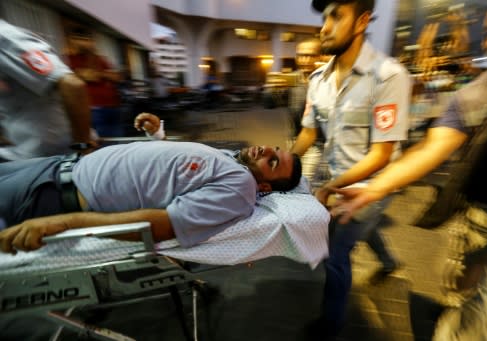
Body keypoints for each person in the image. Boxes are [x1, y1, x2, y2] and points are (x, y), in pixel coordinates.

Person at [331, 0, 487, 339]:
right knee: (460, 294)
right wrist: (373, 188)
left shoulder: (388, 76)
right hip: (479, 219)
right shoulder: (478, 94)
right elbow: (433, 147)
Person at [0, 113, 302, 254]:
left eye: (272, 163)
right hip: (54, 166)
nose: (265, 151)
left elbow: (158, 224)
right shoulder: (231, 160)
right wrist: (157, 137)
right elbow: (175, 175)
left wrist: (63, 224)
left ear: (264, 188)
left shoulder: (240, 190)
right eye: (272, 149)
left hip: (52, 195)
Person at [289, 0, 411, 338]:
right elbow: (309, 133)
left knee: (336, 251)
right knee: (363, 229)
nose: (324, 27)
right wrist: (283, 160)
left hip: (374, 184)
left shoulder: (388, 76)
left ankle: (331, 325)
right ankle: (388, 262)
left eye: (336, 16)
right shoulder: (318, 79)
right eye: (324, 17)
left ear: (362, 22)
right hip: (338, 178)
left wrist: (330, 188)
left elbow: (381, 154)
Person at [0, 19, 93, 162]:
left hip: (55, 158)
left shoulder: (5, 38)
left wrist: (83, 149)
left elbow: (73, 85)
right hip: (26, 154)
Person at [66, 27, 123, 137]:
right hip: (92, 108)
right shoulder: (70, 59)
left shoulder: (100, 59)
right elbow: (89, 76)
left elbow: (117, 77)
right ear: (71, 41)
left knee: (117, 139)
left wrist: (98, 73)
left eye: (87, 40)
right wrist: (104, 74)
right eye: (79, 39)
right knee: (100, 140)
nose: (83, 43)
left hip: (112, 106)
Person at [288, 38, 323, 136]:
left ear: (320, 57)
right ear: (296, 58)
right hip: (297, 136)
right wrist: (271, 91)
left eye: (311, 56)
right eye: (301, 56)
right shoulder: (291, 79)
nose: (305, 60)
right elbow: (271, 104)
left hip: (322, 140)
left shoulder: (328, 80)